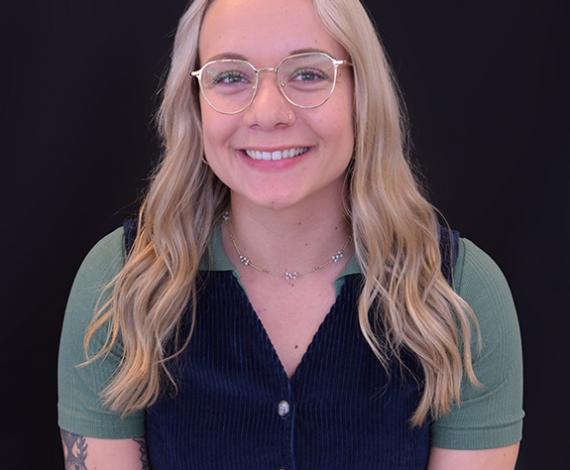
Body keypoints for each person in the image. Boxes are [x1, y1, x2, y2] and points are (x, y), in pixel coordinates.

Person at [57, 0, 524, 468]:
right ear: (194, 104)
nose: (267, 113)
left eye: (308, 74)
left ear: (362, 94)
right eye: (230, 76)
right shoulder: (119, 286)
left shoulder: (459, 295)